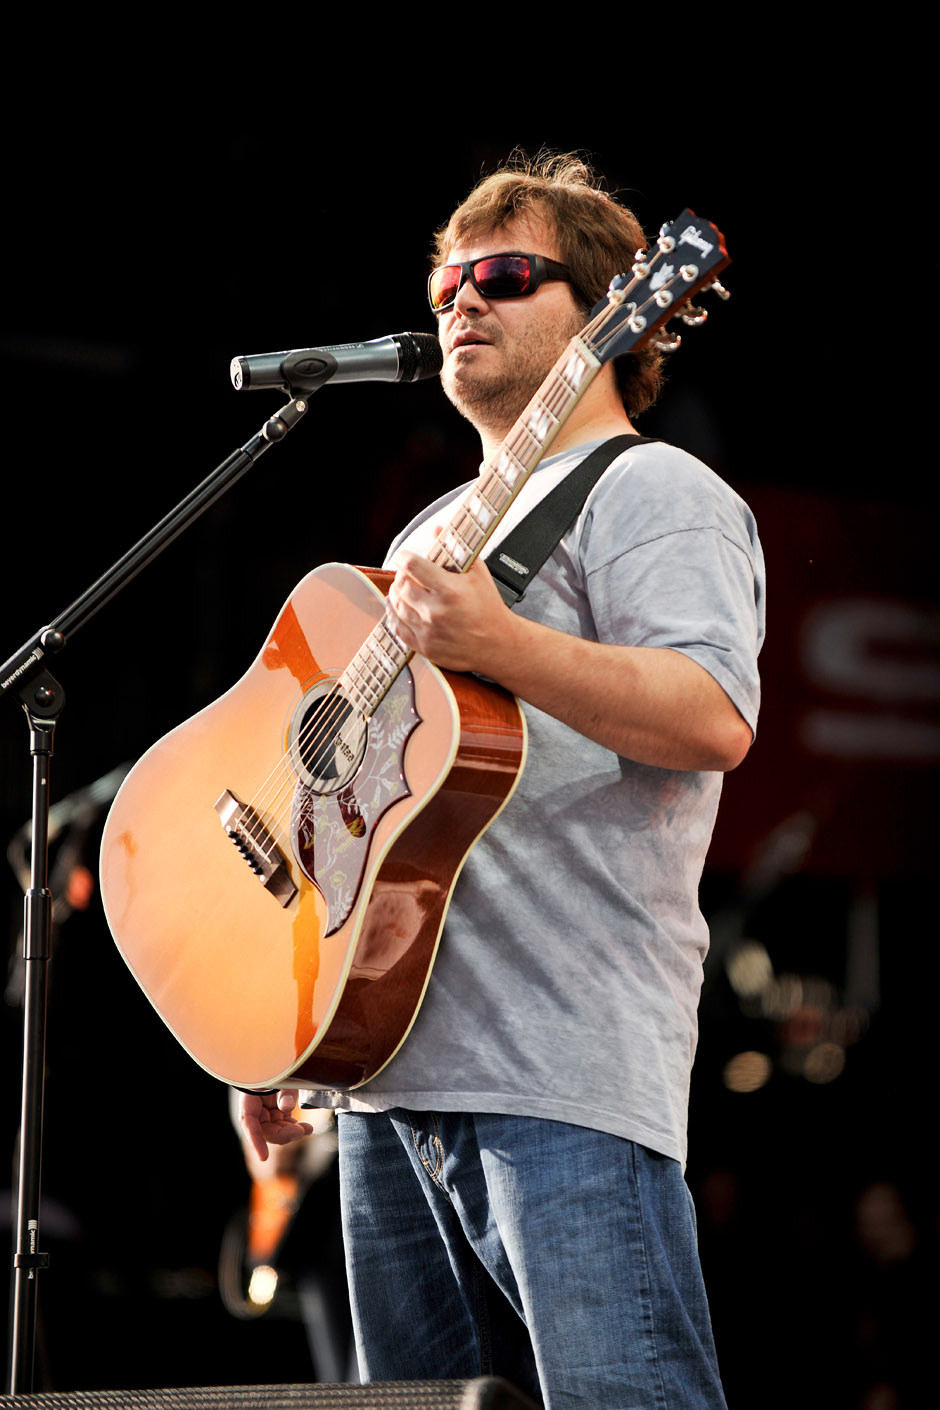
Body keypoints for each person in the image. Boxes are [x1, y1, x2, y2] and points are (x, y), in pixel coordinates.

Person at [241, 152, 764, 1409]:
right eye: (445, 287)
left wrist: (502, 645)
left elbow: (713, 716)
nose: (460, 303)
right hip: (381, 1096)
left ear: (601, 313)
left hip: (562, 1080)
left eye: (504, 276)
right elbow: (349, 808)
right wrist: (280, 1025)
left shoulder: (656, 491)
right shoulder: (424, 537)